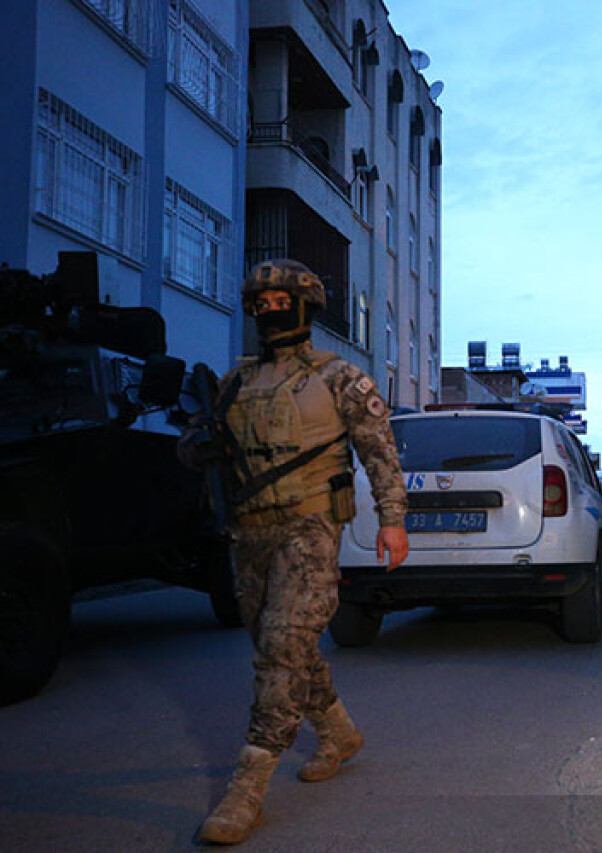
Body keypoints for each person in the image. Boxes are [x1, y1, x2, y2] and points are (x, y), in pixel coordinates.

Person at [181, 259, 409, 844]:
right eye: (260, 303)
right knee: (282, 646)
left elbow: (379, 452)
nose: (269, 311)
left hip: (309, 528)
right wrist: (197, 444)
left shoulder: (341, 378)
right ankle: (338, 733)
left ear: (305, 306)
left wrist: (393, 522)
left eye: (281, 301)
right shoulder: (233, 383)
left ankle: (248, 787)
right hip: (249, 531)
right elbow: (198, 454)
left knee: (283, 646)